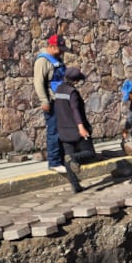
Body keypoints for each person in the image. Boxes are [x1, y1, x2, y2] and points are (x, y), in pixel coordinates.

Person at [53, 66, 95, 192]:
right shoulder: (72, 93)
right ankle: (74, 159)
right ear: (75, 81)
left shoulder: (59, 90)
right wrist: (81, 127)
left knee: (68, 157)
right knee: (90, 154)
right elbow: (75, 110)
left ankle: (75, 186)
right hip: (76, 130)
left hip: (63, 130)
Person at [33, 34, 68, 174]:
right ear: (52, 46)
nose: (62, 51)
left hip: (61, 100)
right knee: (53, 131)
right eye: (60, 49)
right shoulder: (42, 61)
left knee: (62, 130)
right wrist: (44, 101)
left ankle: (62, 158)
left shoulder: (57, 59)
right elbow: (38, 82)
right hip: (51, 101)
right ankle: (54, 161)